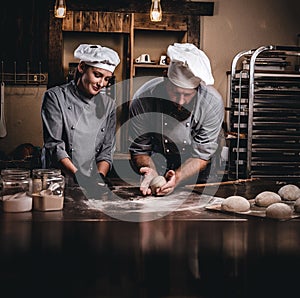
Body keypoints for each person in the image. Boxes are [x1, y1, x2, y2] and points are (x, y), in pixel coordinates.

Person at [129, 43, 224, 196]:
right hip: (158, 165)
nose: (180, 101)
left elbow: (201, 155)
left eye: (187, 95)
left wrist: (177, 177)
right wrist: (150, 172)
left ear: (197, 89)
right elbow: (140, 149)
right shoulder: (143, 99)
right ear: (166, 80)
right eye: (175, 92)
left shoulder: (212, 103)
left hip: (198, 174)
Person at [41, 44, 120, 197]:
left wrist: (99, 177)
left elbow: (107, 150)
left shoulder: (109, 104)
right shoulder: (55, 97)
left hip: (92, 181)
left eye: (107, 79)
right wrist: (80, 177)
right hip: (58, 180)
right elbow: (54, 146)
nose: (101, 83)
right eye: (97, 75)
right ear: (82, 67)